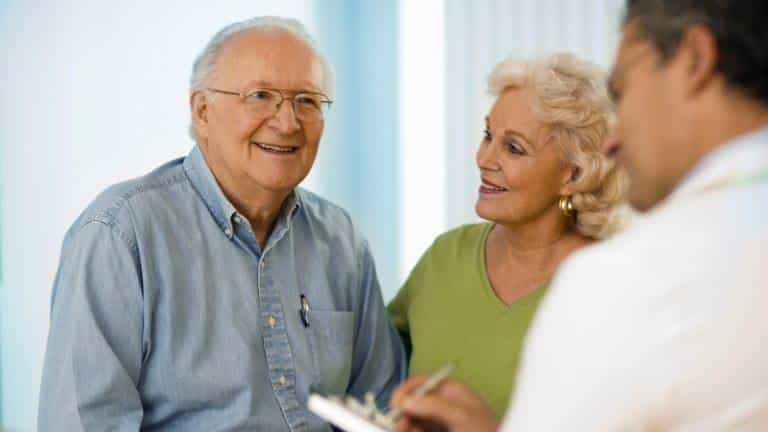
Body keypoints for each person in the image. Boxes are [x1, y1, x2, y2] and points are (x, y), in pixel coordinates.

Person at [391, 0, 768, 430]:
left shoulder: (619, 281)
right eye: (488, 136)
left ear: (696, 59)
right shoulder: (447, 256)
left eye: (624, 92)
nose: (614, 143)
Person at [38, 17, 406, 431]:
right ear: (202, 110)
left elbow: (381, 409)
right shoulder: (121, 235)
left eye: (307, 100)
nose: (287, 122)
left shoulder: (342, 241)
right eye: (261, 96)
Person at [387, 52, 628, 417]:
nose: (484, 158)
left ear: (573, 174)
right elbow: (376, 376)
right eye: (488, 135)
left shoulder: (609, 284)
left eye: (513, 148)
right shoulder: (445, 257)